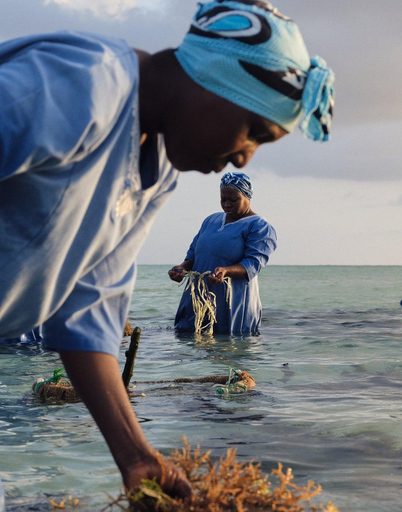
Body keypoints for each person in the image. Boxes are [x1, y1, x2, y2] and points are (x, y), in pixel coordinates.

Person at [0, 0, 334, 497]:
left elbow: (87, 315)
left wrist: (137, 457)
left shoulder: (155, 172)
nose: (244, 157)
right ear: (217, 80)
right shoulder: (86, 84)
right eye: (255, 132)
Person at [170, 172, 276, 333]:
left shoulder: (259, 226)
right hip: (198, 297)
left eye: (233, 200)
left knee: (228, 347)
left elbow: (253, 264)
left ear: (247, 196)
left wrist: (225, 271)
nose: (226, 204)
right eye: (223, 199)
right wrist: (182, 268)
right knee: (190, 346)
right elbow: (194, 252)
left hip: (232, 300)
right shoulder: (211, 220)